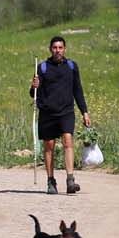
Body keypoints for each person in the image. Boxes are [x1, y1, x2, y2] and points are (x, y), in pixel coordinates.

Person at [29, 35, 91, 195]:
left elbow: (78, 90)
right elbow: (33, 93)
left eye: (60, 48)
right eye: (55, 48)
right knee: (49, 146)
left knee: (68, 141)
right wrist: (34, 86)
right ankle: (51, 181)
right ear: (51, 49)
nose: (58, 51)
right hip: (47, 112)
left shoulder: (71, 66)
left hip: (66, 112)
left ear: (64, 49)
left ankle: (70, 180)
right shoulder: (42, 68)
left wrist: (84, 112)